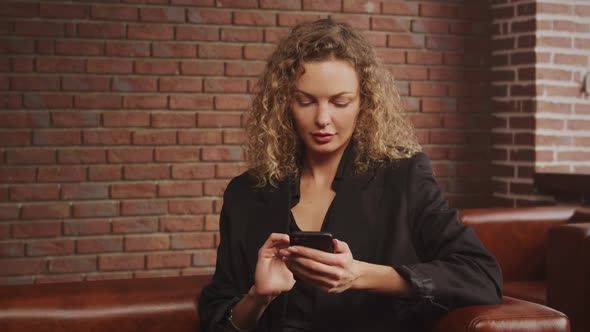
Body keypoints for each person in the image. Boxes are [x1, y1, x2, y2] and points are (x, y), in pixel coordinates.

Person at [199, 19, 502, 332]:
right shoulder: (246, 192)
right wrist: (259, 297)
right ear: (283, 103)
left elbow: (481, 275)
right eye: (305, 101)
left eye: (340, 102)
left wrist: (363, 276)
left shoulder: (404, 176)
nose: (323, 119)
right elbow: (218, 318)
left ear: (364, 103)